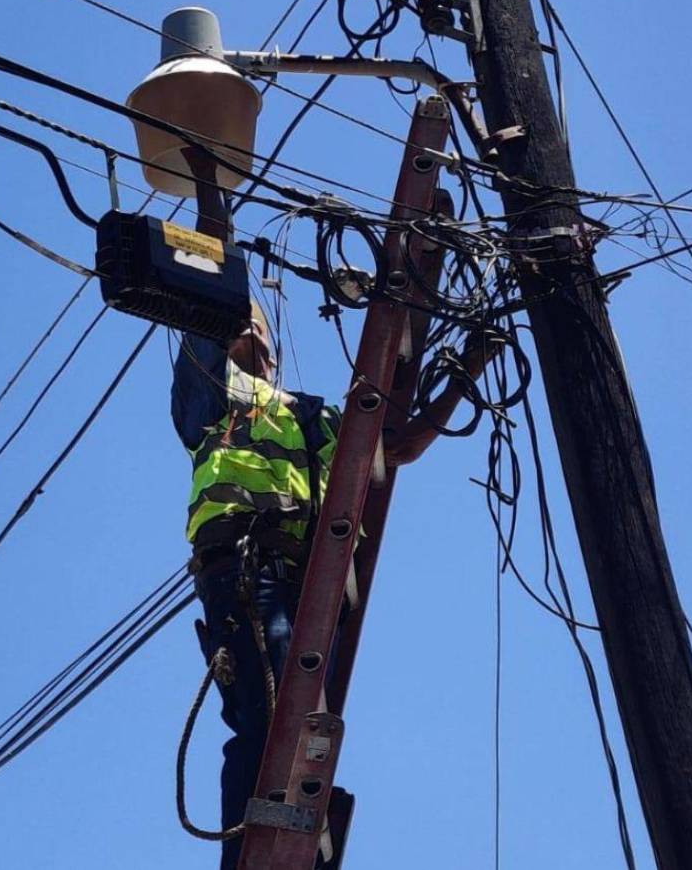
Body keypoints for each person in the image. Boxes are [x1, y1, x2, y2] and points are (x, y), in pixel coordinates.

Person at [171, 304, 495, 869]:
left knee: (298, 729)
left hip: (303, 583)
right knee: (267, 718)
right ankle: (249, 859)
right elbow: (212, 270)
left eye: (258, 325)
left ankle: (293, 855)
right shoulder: (210, 395)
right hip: (244, 570)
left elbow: (397, 446)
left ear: (273, 352)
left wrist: (468, 365)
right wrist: (213, 219)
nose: (247, 329)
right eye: (235, 321)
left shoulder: (315, 416)